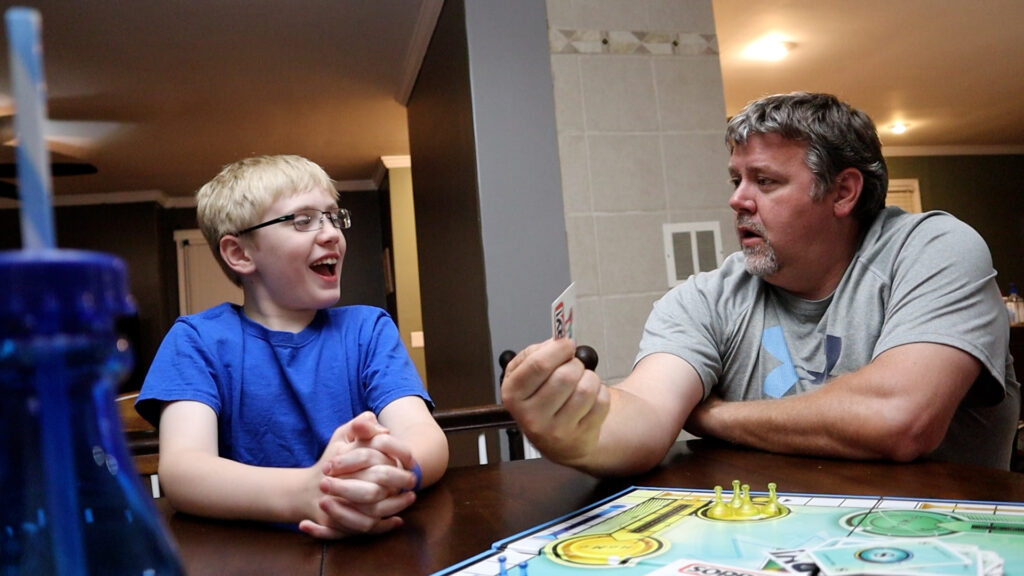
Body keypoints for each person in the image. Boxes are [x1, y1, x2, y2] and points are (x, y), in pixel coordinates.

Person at [501, 92, 1020, 474]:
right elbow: (643, 416)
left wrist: (714, 416)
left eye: (765, 181)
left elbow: (899, 417)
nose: (737, 200)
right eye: (736, 180)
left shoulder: (935, 248)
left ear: (842, 192)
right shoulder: (705, 297)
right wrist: (572, 426)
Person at [136, 155, 448, 539]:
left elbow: (424, 433)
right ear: (240, 254)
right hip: (251, 554)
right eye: (303, 221)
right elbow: (183, 471)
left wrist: (390, 476)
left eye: (334, 217)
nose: (331, 232)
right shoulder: (196, 340)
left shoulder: (368, 329)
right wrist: (306, 493)